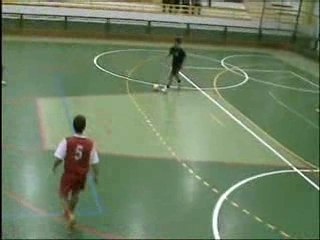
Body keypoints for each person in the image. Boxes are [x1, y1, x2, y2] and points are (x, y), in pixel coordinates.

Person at [52, 114, 99, 229]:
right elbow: (95, 162)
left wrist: (54, 166)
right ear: (84, 127)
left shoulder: (67, 141)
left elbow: (59, 157)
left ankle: (70, 215)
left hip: (69, 173)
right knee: (76, 194)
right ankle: (70, 212)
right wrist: (96, 175)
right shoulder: (90, 144)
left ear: (73, 126)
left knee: (62, 194)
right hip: (82, 174)